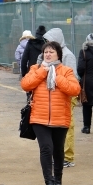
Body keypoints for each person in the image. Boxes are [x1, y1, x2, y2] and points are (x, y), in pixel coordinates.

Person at [21, 41, 81, 185]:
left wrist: (57, 78)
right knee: (46, 148)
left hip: (60, 117)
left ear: (58, 55)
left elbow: (75, 89)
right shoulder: (36, 68)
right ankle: (49, 181)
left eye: (51, 52)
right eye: (46, 52)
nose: (48, 54)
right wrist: (43, 72)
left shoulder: (65, 71)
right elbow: (25, 84)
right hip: (39, 118)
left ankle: (58, 176)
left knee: (58, 150)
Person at [39, 28, 79, 168]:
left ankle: (67, 156)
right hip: (53, 95)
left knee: (67, 125)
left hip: (66, 95)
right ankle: (58, 155)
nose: (48, 47)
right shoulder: (48, 56)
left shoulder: (68, 56)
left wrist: (58, 78)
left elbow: (72, 79)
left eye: (50, 41)